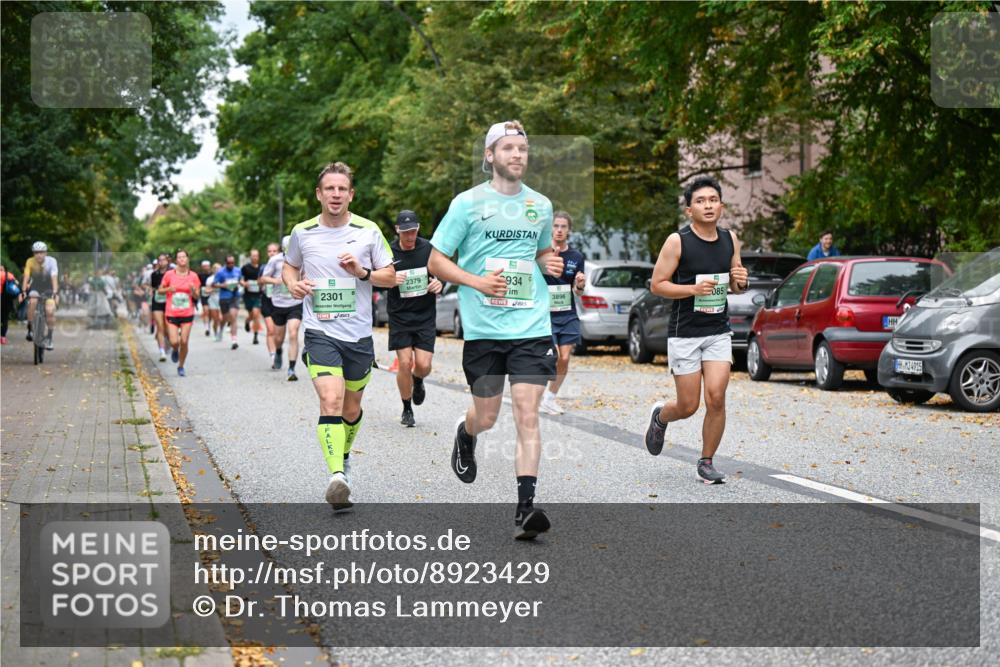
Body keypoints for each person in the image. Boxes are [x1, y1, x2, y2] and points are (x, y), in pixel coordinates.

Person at [427, 120, 562, 540]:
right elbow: (436, 262)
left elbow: (541, 252)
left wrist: (549, 264)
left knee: (527, 412)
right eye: (507, 148)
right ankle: (466, 435)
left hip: (531, 325)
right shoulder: (467, 204)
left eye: (522, 148)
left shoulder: (540, 204)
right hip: (484, 330)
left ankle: (526, 507)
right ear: (490, 156)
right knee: (486, 416)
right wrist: (476, 281)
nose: (517, 155)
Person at [283, 161, 395, 510]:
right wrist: (293, 284)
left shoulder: (368, 231)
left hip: (358, 336)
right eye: (329, 189)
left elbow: (390, 277)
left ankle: (343, 458)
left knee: (351, 406)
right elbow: (290, 266)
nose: (335, 194)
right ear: (319, 194)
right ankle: (337, 476)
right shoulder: (302, 232)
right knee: (330, 400)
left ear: (351, 194)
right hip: (320, 331)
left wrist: (361, 271)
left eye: (341, 189)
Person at [643, 177, 749, 484]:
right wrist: (692, 289)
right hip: (685, 332)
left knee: (716, 397)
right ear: (690, 210)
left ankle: (706, 462)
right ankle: (661, 416)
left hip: (718, 330)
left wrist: (741, 279)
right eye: (701, 201)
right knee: (688, 405)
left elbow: (736, 283)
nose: (708, 205)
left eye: (713, 200)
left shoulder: (731, 238)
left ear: (721, 206)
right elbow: (657, 285)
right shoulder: (678, 241)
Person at [387, 210, 443, 427]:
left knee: (423, 364)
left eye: (414, 231)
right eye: (406, 232)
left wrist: (440, 284)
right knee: (404, 362)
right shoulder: (388, 251)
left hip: (424, 315)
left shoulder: (428, 249)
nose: (410, 236)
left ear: (418, 229)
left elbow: (442, 273)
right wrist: (390, 279)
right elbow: (378, 279)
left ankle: (418, 380)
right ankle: (407, 408)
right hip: (399, 315)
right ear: (397, 230)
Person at [540, 211, 586, 415]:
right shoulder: (541, 254)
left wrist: (579, 285)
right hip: (545, 314)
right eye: (556, 226)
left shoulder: (576, 257)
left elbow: (577, 291)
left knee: (565, 359)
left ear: (569, 230)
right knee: (553, 355)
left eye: (563, 227)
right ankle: (537, 392)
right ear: (551, 228)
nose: (559, 230)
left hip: (567, 314)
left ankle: (549, 398)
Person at [260, 236, 303, 380]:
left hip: (295, 303)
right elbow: (263, 278)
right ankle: (278, 350)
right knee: (278, 338)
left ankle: (291, 369)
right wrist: (277, 280)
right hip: (278, 304)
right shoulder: (275, 260)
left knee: (293, 333)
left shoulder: (302, 259)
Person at [159, 250, 201, 377]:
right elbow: (160, 290)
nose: (182, 259)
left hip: (187, 312)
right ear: (176, 260)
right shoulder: (169, 275)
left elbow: (197, 295)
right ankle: (175, 349)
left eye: (184, 257)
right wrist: (168, 289)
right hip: (172, 312)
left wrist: (193, 291)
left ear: (187, 259)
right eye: (179, 257)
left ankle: (181, 366)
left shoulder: (193, 276)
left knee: (184, 341)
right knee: (174, 342)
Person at [21, 241, 59, 350]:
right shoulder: (30, 261)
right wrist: (23, 290)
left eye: (41, 252)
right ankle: (30, 329)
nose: (39, 255)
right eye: (36, 252)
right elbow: (27, 277)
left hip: (49, 288)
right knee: (32, 302)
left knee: (50, 311)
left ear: (45, 253)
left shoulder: (52, 262)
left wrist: (55, 292)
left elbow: (54, 277)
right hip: (35, 287)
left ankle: (49, 338)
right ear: (33, 253)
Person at [214, 256, 242, 350]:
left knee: (233, 317)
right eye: (229, 263)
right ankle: (221, 329)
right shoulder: (221, 272)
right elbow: (214, 284)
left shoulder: (238, 270)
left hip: (235, 296)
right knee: (225, 318)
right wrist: (223, 285)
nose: (231, 264)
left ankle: (234, 340)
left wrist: (241, 283)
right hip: (224, 297)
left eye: (232, 263)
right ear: (226, 263)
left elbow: (240, 280)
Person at [260, 242, 280, 365]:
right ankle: (273, 356)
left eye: (274, 251)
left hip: (280, 301)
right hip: (267, 300)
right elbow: (259, 281)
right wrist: (266, 282)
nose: (272, 253)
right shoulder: (264, 267)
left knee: (278, 332)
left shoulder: (284, 266)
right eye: (269, 251)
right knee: (270, 330)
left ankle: (278, 352)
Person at [148, 254, 171, 361]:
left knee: (167, 326)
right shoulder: (154, 274)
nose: (161, 262)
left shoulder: (172, 273)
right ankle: (162, 351)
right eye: (159, 260)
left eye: (163, 260)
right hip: (157, 301)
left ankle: (168, 341)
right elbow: (153, 288)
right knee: (160, 325)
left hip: (169, 301)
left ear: (167, 261)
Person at [241, 249, 265, 345]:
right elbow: (241, 280)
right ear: (250, 257)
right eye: (253, 256)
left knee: (256, 315)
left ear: (258, 257)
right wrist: (244, 283)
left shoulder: (262, 268)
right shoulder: (245, 268)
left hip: (258, 295)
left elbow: (265, 278)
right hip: (248, 295)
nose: (254, 257)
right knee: (251, 315)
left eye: (256, 255)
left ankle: (255, 336)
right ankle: (247, 321)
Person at [1, 263, 19, 345]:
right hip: (6, 301)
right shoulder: (9, 275)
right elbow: (17, 285)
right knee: (5, 319)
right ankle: (3, 337)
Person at [196, 260, 214, 336]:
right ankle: (207, 328)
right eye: (204, 266)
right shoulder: (199, 275)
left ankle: (209, 324)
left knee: (211, 312)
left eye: (207, 266)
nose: (206, 267)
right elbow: (197, 285)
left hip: (212, 295)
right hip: (204, 295)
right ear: (202, 267)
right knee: (206, 311)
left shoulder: (212, 275)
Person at [206, 262, 223, 340]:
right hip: (212, 300)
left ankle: (220, 332)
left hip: (222, 299)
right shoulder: (210, 279)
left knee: (221, 318)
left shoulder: (223, 278)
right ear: (213, 270)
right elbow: (207, 290)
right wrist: (214, 288)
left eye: (219, 269)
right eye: (216, 269)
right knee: (215, 319)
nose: (218, 270)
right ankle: (216, 333)